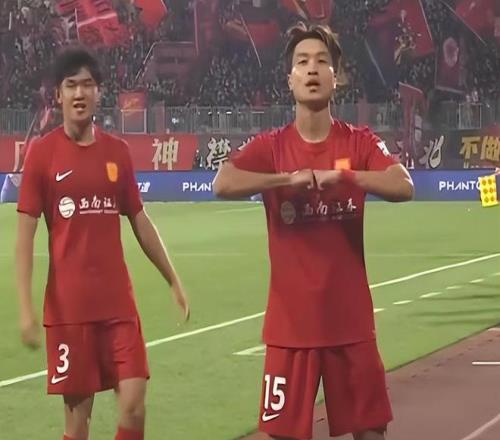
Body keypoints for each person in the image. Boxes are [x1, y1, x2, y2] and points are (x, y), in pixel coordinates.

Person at [213, 23, 414, 440]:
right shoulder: (271, 146)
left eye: (322, 61)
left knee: (371, 433)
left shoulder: (359, 142)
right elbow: (223, 183)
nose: (312, 69)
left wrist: (347, 177)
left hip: (351, 326)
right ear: (290, 79)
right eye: (302, 61)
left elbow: (403, 185)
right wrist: (284, 180)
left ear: (337, 78)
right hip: (290, 330)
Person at [16, 46, 190, 440]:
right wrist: (26, 309)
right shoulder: (42, 155)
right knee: (78, 424)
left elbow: (139, 219)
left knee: (134, 402)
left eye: (87, 85)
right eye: (71, 85)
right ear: (58, 94)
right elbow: (24, 239)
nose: (79, 93)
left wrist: (173, 279)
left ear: (99, 93)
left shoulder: (118, 152)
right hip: (69, 311)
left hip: (118, 306)